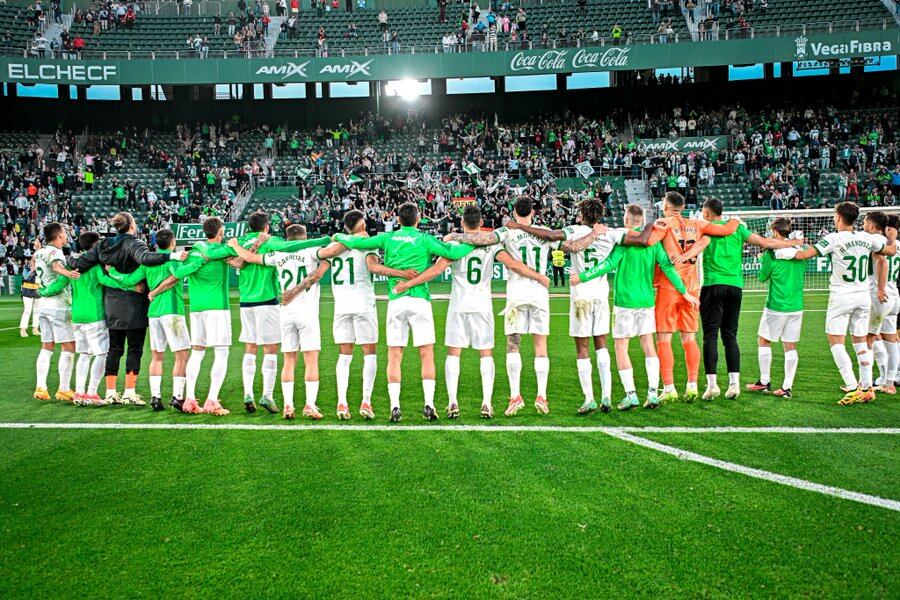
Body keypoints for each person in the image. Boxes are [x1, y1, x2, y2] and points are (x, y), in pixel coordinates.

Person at [394, 205, 548, 419]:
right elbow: (513, 265)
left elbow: (436, 270)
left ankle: (452, 402)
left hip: (459, 305)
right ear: (482, 223)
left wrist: (409, 283)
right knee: (485, 353)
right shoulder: (492, 244)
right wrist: (539, 277)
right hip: (482, 305)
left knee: (454, 353)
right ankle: (486, 403)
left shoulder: (456, 243)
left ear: (462, 223)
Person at [502, 198, 655, 413]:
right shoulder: (610, 232)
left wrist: (518, 226)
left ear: (581, 214)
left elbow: (550, 236)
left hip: (580, 296)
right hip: (601, 296)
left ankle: (589, 398)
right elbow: (643, 240)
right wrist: (651, 223)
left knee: (582, 348)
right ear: (600, 215)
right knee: (601, 345)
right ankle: (607, 397)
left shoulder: (573, 230)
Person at [333, 202, 474, 422]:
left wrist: (338, 237)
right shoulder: (425, 239)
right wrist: (474, 242)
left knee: (394, 355)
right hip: (419, 300)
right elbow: (453, 252)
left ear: (397, 220)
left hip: (396, 299)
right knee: (426, 354)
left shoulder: (387, 238)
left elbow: (359, 242)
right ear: (418, 220)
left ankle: (395, 406)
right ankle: (428, 404)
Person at [201, 210, 331, 414]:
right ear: (266, 227)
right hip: (268, 300)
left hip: (245, 301)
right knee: (270, 350)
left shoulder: (240, 242)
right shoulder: (272, 242)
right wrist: (325, 239)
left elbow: (216, 253)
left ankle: (248, 392)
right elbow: (293, 245)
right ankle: (267, 395)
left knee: (250, 348)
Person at [571, 205, 698, 410]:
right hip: (646, 301)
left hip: (625, 302)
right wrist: (684, 292)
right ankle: (652, 393)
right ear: (642, 220)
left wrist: (582, 276)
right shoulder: (653, 244)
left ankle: (631, 394)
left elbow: (608, 265)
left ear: (628, 220)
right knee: (648, 344)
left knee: (622, 346)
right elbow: (667, 267)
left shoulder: (624, 243)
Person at [680, 198, 801, 400]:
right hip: (735, 287)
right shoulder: (738, 229)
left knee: (710, 336)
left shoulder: (705, 227)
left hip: (713, 285)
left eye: (703, 211)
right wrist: (791, 243)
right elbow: (765, 242)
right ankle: (734, 384)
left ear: (708, 213)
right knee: (730, 337)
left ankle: (712, 386)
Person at [444, 196, 555, 416]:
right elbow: (565, 243)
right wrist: (540, 277)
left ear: (514, 212)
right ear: (533, 212)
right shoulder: (545, 231)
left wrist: (455, 235)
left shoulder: (504, 232)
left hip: (511, 295)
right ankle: (540, 395)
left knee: (513, 345)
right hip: (538, 294)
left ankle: (514, 396)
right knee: (540, 347)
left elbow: (483, 239)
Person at [68, 212, 187, 406]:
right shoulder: (134, 243)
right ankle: (129, 391)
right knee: (134, 348)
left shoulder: (103, 245)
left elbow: (80, 263)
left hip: (112, 305)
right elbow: (146, 258)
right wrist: (173, 255)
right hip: (134, 303)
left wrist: (65, 262)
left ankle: (110, 392)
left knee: (114, 349)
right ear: (132, 225)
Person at [307, 210, 416, 420]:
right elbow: (373, 267)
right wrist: (402, 273)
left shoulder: (334, 248)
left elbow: (319, 273)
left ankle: (342, 402)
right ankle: (366, 400)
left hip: (341, 306)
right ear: (363, 224)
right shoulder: (366, 243)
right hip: (363, 304)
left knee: (344, 355)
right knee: (369, 353)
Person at [790, 202, 897, 405]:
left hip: (841, 297)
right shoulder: (867, 238)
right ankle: (866, 387)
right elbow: (889, 252)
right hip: (863, 296)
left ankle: (852, 386)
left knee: (836, 342)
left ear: (838, 217)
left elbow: (803, 255)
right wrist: (892, 237)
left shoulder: (833, 239)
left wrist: (790, 247)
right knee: (860, 342)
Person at [644, 192, 740, 402]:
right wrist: (736, 219)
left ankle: (669, 387)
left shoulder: (663, 222)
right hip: (693, 289)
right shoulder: (697, 224)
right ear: (684, 206)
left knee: (664, 339)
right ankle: (692, 385)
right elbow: (727, 229)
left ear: (665, 206)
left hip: (670, 288)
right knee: (689, 338)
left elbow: (648, 242)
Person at [106, 229, 207, 412]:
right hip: (172, 313)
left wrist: (112, 272)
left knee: (157, 356)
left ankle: (155, 397)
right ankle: (177, 397)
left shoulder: (147, 263)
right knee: (182, 356)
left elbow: (129, 280)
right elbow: (176, 277)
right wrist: (200, 261)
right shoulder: (173, 259)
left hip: (153, 315)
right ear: (173, 243)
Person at [147, 218, 238, 415]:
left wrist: (154, 292)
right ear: (221, 231)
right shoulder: (221, 251)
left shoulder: (193, 251)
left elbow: (177, 274)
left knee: (197, 353)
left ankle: (189, 399)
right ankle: (212, 400)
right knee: (221, 353)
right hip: (217, 308)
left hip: (196, 309)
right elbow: (239, 258)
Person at [38, 232, 137, 406]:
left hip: (77, 316)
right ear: (96, 246)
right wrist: (131, 286)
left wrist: (42, 292)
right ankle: (91, 392)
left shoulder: (72, 265)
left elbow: (58, 285)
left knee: (84, 354)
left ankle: (79, 393)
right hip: (94, 315)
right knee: (101, 353)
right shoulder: (95, 266)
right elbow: (109, 281)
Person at [747, 218, 806, 398]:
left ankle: (764, 382)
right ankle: (787, 387)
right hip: (796, 305)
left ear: (775, 232)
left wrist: (762, 258)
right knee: (790, 345)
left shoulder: (772, 254)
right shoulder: (800, 252)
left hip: (776, 305)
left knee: (764, 340)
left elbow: (762, 277)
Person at [32, 224, 83, 402]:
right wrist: (68, 273)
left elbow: (34, 266)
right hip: (58, 305)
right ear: (60, 235)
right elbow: (56, 266)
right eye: (65, 232)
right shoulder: (56, 252)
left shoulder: (38, 252)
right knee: (69, 347)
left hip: (44, 306)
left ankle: (41, 387)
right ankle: (64, 389)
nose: (67, 235)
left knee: (47, 347)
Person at [873, 214, 900, 394]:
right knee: (891, 339)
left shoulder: (878, 243)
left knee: (870, 337)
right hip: (895, 294)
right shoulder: (898, 245)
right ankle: (890, 381)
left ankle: (882, 377)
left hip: (880, 295)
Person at [19, 268, 40, 337]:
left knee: (37, 311)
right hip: (27, 291)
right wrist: (32, 270)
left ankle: (35, 328)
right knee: (27, 310)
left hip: (38, 291)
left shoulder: (41, 268)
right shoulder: (26, 269)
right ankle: (23, 329)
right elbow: (25, 277)